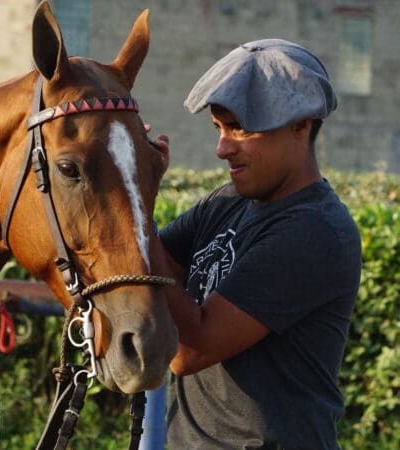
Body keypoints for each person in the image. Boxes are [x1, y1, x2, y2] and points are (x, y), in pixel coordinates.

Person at [152, 39, 362, 449]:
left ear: (301, 125)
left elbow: (189, 349)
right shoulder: (227, 201)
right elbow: (152, 268)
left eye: (241, 128)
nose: (222, 148)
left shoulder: (315, 232)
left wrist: (134, 209)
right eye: (219, 128)